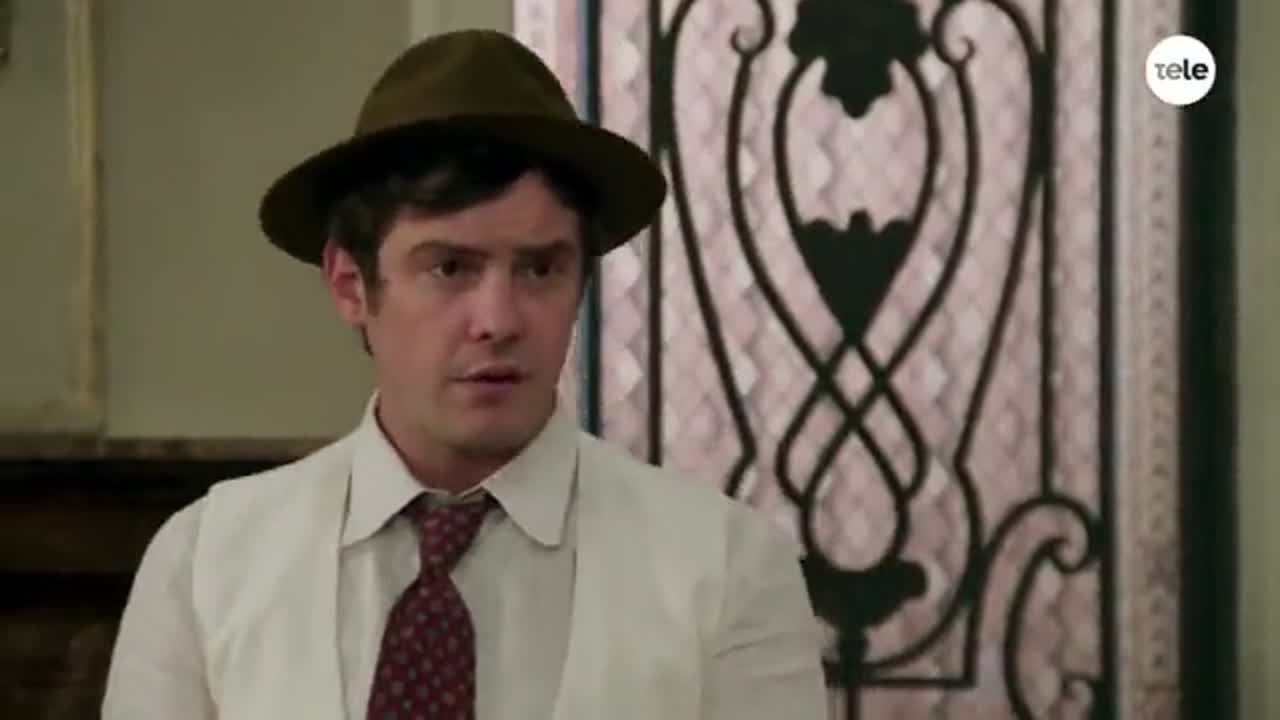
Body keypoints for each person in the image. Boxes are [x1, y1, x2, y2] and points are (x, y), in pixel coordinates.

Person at [102, 28, 827, 720]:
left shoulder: (725, 568)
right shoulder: (208, 563)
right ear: (351, 285)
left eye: (540, 269)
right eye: (450, 267)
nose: (498, 320)